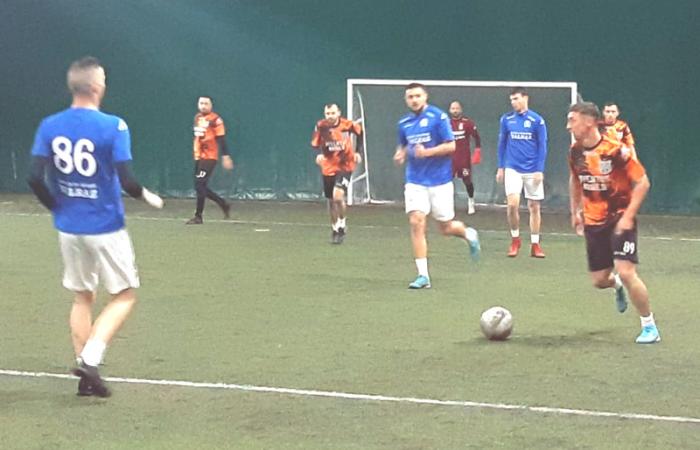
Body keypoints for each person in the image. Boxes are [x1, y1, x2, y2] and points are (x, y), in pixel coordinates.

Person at [27, 56, 165, 397]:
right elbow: (128, 181)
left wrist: (57, 207)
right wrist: (148, 196)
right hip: (105, 226)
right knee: (124, 295)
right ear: (96, 87)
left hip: (69, 228)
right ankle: (90, 359)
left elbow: (34, 177)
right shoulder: (114, 126)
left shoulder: (49, 125)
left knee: (82, 296)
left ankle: (86, 379)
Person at [567, 102, 660, 344]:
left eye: (572, 120)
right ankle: (615, 285)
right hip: (593, 220)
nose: (568, 126)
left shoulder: (615, 150)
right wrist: (575, 211)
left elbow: (643, 183)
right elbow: (575, 180)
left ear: (589, 122)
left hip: (619, 216)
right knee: (599, 280)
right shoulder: (575, 152)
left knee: (626, 271)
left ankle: (649, 326)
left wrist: (628, 217)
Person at [393, 83, 481, 289]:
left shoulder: (438, 117)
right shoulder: (404, 123)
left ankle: (468, 234)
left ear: (425, 97)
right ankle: (423, 275)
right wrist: (401, 153)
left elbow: (451, 145)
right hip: (415, 181)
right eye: (410, 97)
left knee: (446, 228)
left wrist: (427, 152)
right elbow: (403, 145)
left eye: (417, 96)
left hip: (440, 181)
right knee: (416, 221)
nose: (414, 100)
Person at [496, 87, 548, 258]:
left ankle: (535, 244)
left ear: (525, 98)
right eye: (511, 99)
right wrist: (501, 167)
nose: (513, 102)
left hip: (532, 169)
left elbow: (542, 146)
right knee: (512, 205)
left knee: (534, 206)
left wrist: (539, 169)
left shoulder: (537, 120)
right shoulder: (506, 119)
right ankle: (515, 239)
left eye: (516, 98)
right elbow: (502, 144)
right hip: (512, 168)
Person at [310, 103, 362, 244]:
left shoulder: (347, 125)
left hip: (345, 164)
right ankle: (334, 229)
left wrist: (358, 151)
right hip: (328, 166)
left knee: (338, 195)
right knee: (331, 200)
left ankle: (342, 224)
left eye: (333, 113)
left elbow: (360, 132)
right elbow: (315, 143)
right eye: (328, 113)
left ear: (338, 113)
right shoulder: (321, 126)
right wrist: (318, 155)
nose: (330, 116)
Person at [187, 95, 234, 224]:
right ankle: (223, 203)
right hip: (198, 156)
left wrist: (225, 156)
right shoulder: (197, 118)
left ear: (211, 105)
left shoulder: (216, 120)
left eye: (206, 103)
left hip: (209, 157)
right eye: (201, 103)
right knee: (199, 186)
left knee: (200, 184)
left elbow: (221, 139)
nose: (203, 106)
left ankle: (198, 216)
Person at [448, 100, 482, 215]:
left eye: (457, 108)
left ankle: (471, 201)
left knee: (467, 181)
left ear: (461, 110)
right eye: (453, 108)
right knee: (447, 181)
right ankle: (448, 204)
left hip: (463, 158)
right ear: (450, 110)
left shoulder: (467, 123)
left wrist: (477, 151)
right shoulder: (446, 124)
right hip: (450, 159)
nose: (455, 110)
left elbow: (477, 137)